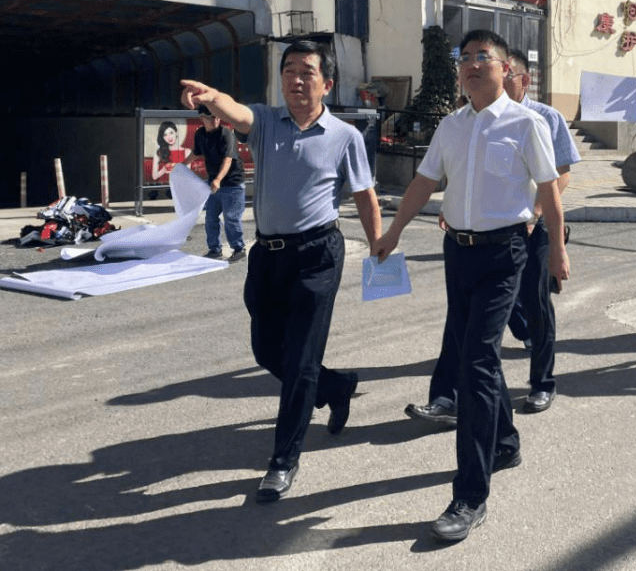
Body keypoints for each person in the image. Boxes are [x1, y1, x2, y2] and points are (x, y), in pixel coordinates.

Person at [372, 29, 570, 542]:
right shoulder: (450, 126)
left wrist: (558, 252)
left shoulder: (527, 123)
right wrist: (392, 231)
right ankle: (504, 440)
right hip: (456, 253)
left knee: (477, 363)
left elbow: (549, 187)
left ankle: (470, 495)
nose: (472, 65)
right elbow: (423, 182)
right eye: (465, 59)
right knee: (471, 355)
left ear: (506, 70)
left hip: (505, 253)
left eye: (484, 57)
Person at [179, 39, 382, 502]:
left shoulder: (345, 137)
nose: (295, 79)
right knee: (267, 349)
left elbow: (367, 195)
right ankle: (337, 385)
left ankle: (283, 460)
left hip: (318, 255)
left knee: (301, 360)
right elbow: (235, 111)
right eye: (288, 70)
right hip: (267, 256)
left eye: (306, 71)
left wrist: (378, 247)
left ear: (326, 83)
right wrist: (211, 96)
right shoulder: (268, 122)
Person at [405, 49, 579, 428]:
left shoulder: (543, 119)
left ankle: (541, 383)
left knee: (535, 307)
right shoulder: (466, 121)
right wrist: (455, 212)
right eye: (471, 64)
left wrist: (537, 217)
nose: (480, 73)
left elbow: (560, 176)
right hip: (478, 239)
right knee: (464, 323)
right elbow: (461, 177)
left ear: (518, 77)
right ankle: (446, 396)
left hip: (529, 230)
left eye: (502, 70)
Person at [183, 105, 246, 261]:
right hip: (213, 184)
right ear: (203, 118)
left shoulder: (226, 134)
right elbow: (196, 153)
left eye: (217, 116)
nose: (216, 119)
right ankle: (214, 250)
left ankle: (239, 249)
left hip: (232, 184)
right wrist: (182, 165)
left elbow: (228, 159)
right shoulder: (200, 134)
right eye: (212, 117)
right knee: (210, 218)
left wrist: (218, 179)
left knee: (231, 218)